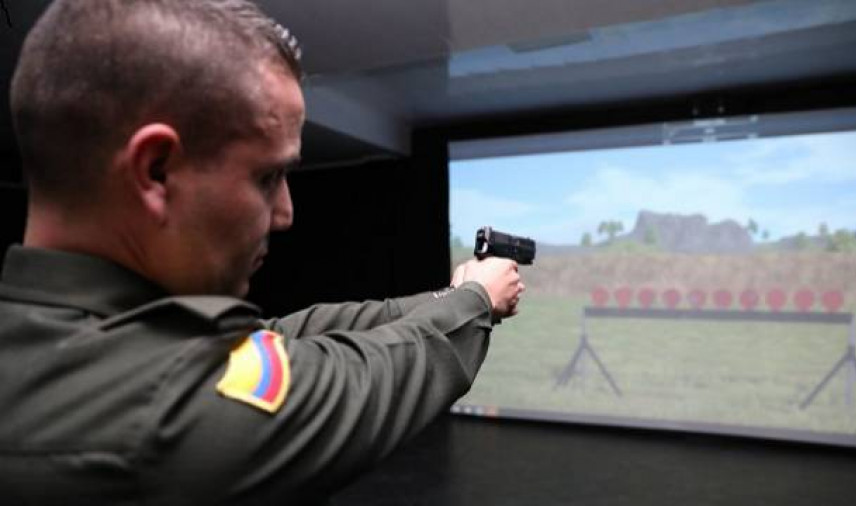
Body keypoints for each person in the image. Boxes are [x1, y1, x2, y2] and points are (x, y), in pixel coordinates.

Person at [0, 1, 524, 504]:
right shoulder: (157, 407)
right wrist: (477, 301)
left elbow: (280, 336)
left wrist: (455, 294)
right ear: (155, 171)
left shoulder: (85, 336)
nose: (284, 213)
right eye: (267, 176)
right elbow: (353, 382)